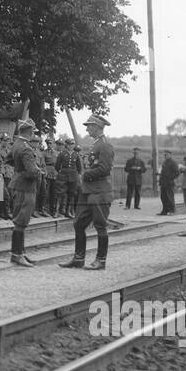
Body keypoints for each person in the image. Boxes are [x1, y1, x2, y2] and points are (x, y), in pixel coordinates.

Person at [59, 114, 114, 270]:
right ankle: (78, 258)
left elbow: (104, 169)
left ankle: (101, 260)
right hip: (88, 191)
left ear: (96, 127)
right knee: (78, 224)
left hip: (99, 191)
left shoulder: (104, 145)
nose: (87, 128)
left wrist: (85, 174)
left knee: (100, 225)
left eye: (89, 125)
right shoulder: (96, 144)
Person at [7, 120, 40, 266]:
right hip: (25, 187)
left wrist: (19, 171)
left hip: (17, 183)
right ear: (30, 131)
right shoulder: (26, 148)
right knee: (21, 221)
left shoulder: (16, 144)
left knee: (20, 220)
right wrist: (38, 171)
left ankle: (20, 252)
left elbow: (8, 159)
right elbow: (32, 172)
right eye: (33, 131)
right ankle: (17, 254)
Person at [158, 149, 179, 216]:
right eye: (165, 155)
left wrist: (170, 178)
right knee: (163, 197)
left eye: (167, 154)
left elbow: (177, 173)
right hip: (163, 182)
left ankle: (172, 211)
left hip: (169, 183)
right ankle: (165, 211)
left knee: (170, 197)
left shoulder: (173, 163)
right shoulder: (165, 162)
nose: (165, 156)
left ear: (170, 155)